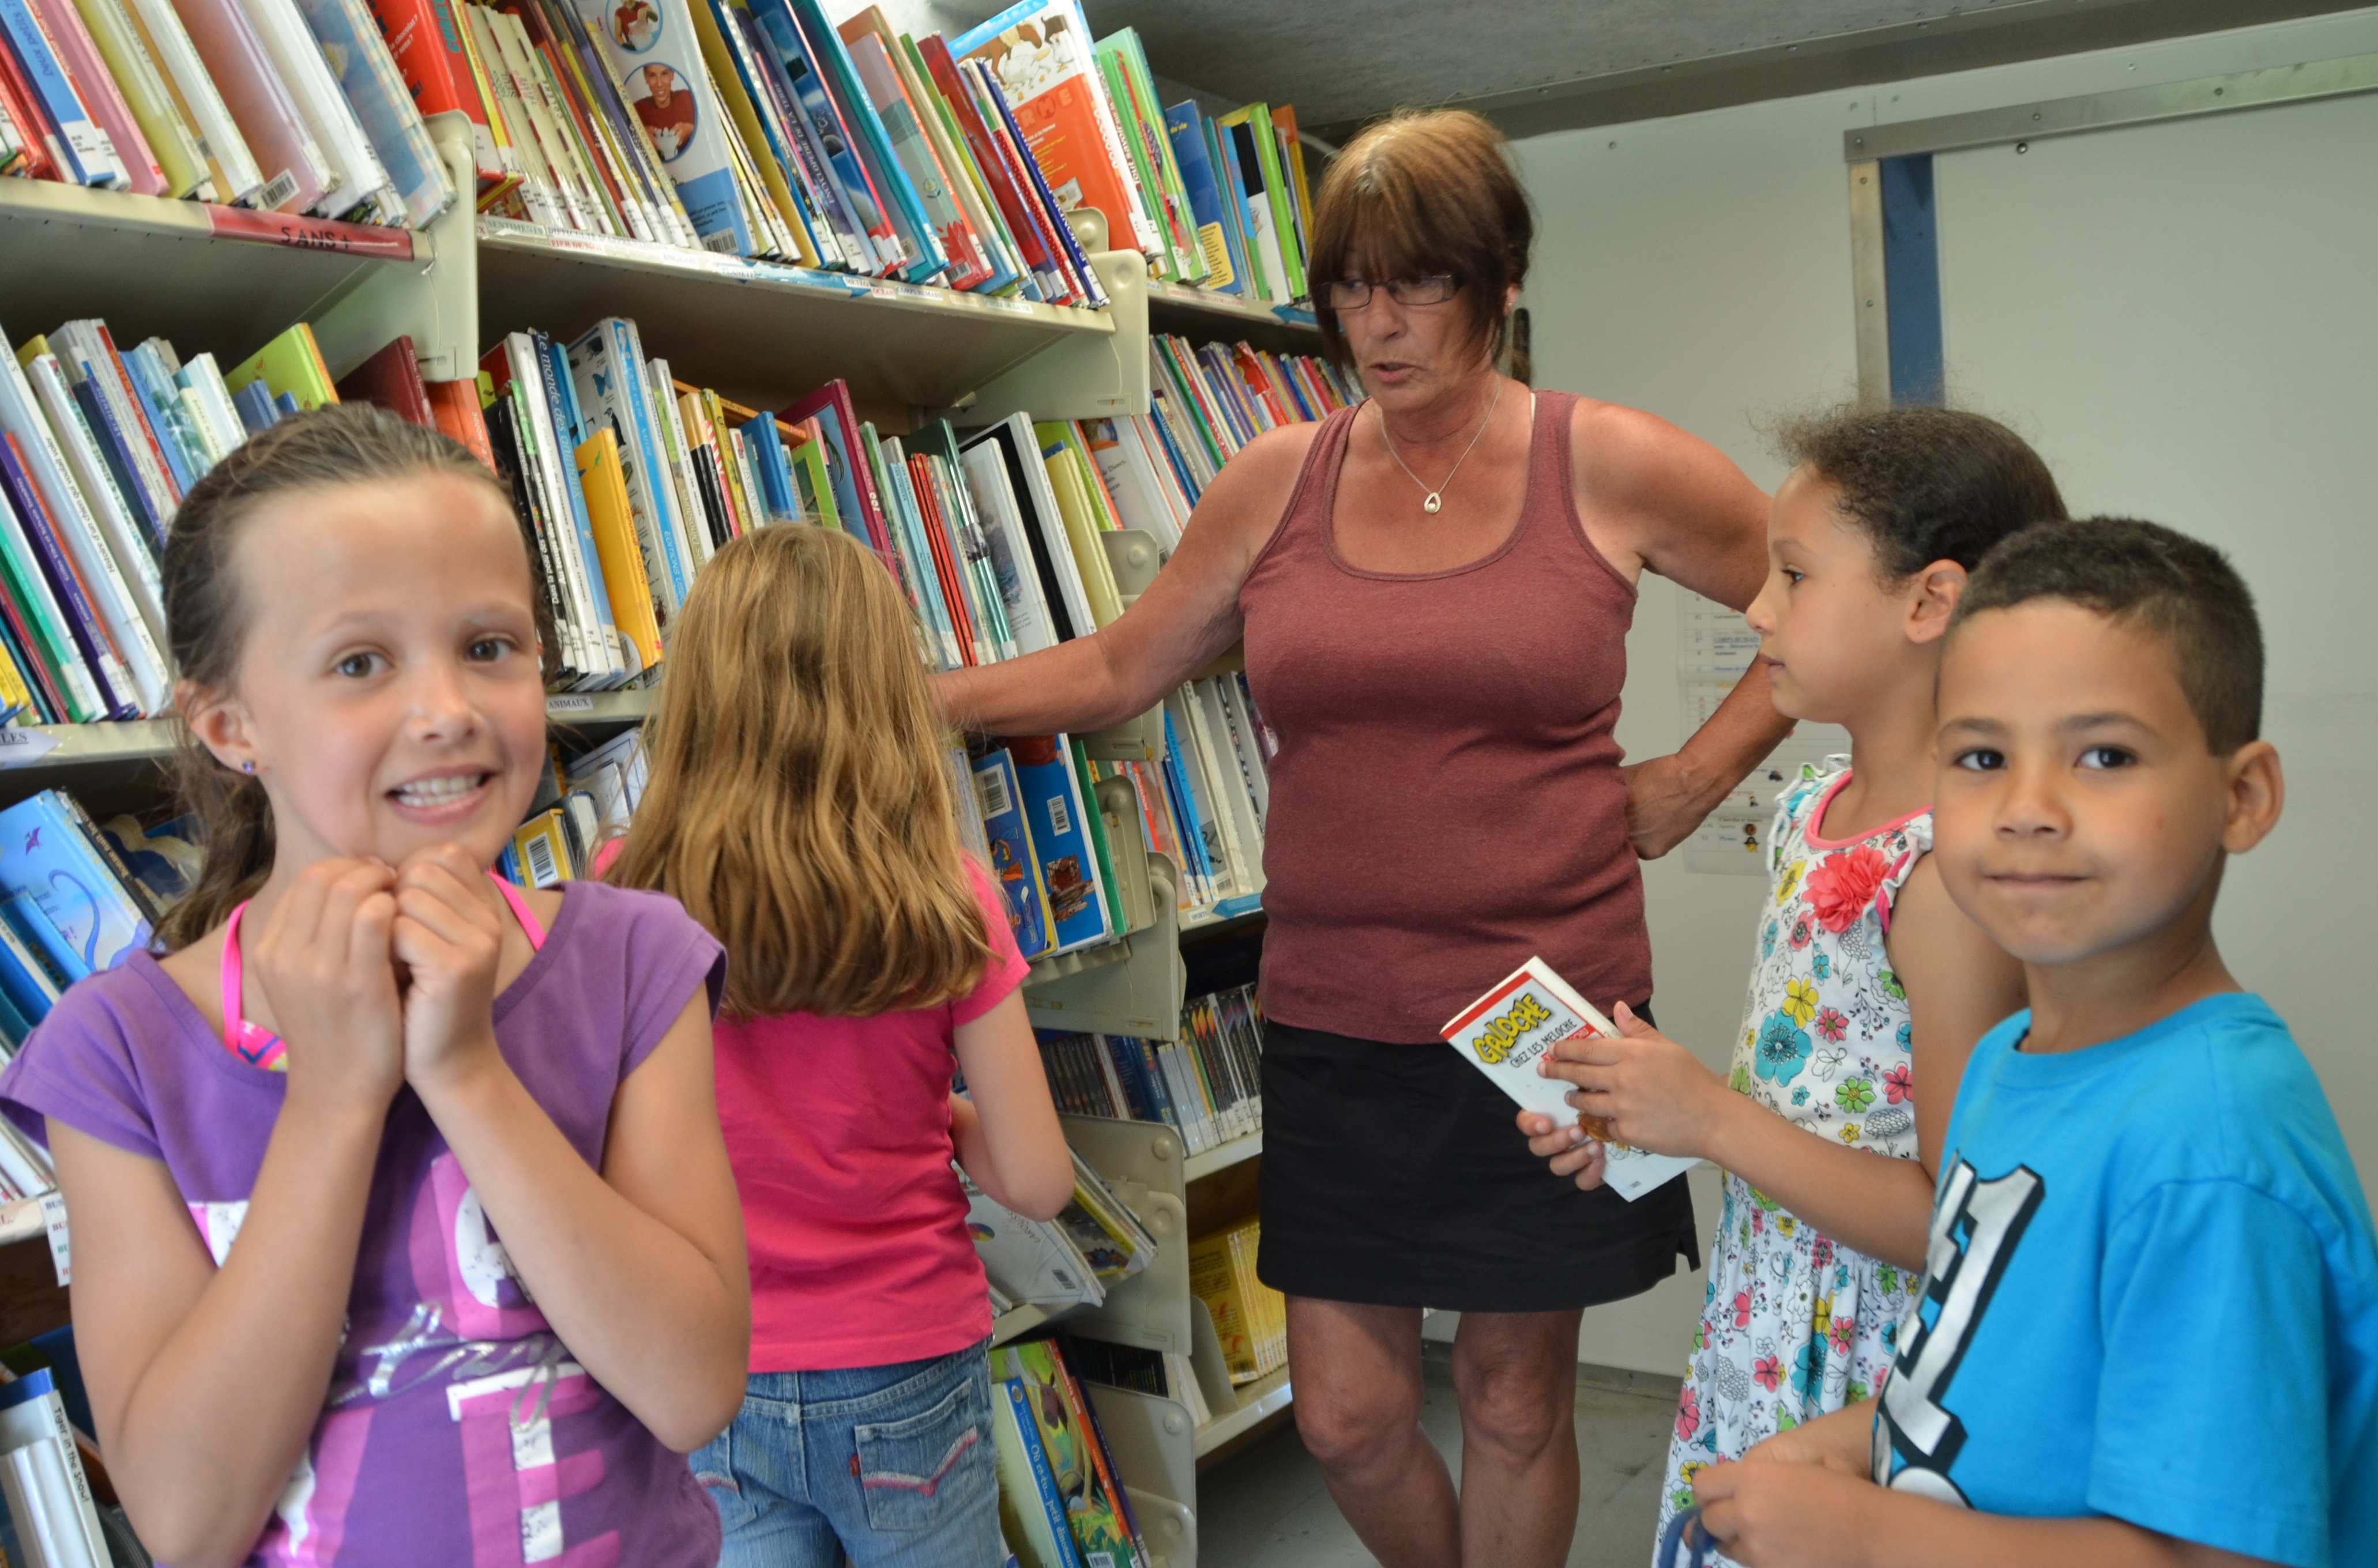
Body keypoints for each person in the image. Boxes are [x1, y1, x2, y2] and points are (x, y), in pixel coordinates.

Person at [936, 107, 1793, 1568]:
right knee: (1347, 1415)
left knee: (1519, 1399)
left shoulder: (1613, 463)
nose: (1376, 326)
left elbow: (1824, 614)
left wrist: (1699, 776)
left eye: (1419, 286)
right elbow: (1113, 670)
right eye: (1350, 290)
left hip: (1551, 1021)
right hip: (1337, 1018)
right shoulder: (1280, 477)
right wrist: (897, 697)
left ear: (1502, 280)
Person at [0, 406, 751, 1567]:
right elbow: (188, 1523)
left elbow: (692, 1385)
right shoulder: (119, 1051)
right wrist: (334, 1099)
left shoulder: (635, 963)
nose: (447, 708)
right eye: (361, 661)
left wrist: (464, 1072)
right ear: (231, 723)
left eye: (489, 646)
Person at [1691, 518, 2378, 1567]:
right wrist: (1853, 1443)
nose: (2027, 809)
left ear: (2242, 798)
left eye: (2105, 755)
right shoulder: (2011, 1054)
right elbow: (1990, 1365)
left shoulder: (2210, 1155)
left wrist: (1871, 1537)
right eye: (1980, 757)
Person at [1518, 407, 2047, 1558]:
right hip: (1767, 1328)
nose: (1756, 609)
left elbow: (1957, 1232)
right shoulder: (1814, 802)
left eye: (1794, 577)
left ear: (1929, 601)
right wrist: (1647, 1119)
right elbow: (1810, 1110)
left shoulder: (1950, 874)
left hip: (1873, 1370)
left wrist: (1707, 1115)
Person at [607, 524, 1074, 1568]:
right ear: (887, 694)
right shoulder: (945, 895)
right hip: (905, 1355)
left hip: (709, 1360)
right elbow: (1038, 1181)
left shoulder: (622, 890)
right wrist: (949, 1122)